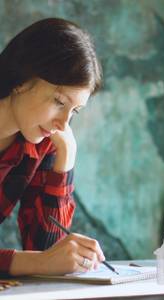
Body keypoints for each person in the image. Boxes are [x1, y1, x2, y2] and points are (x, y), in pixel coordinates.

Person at [0, 18, 105, 276]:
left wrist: (66, 160)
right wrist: (37, 262)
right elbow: (42, 261)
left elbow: (45, 254)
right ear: (21, 80)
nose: (63, 123)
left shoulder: (43, 144)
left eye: (74, 112)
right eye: (59, 101)